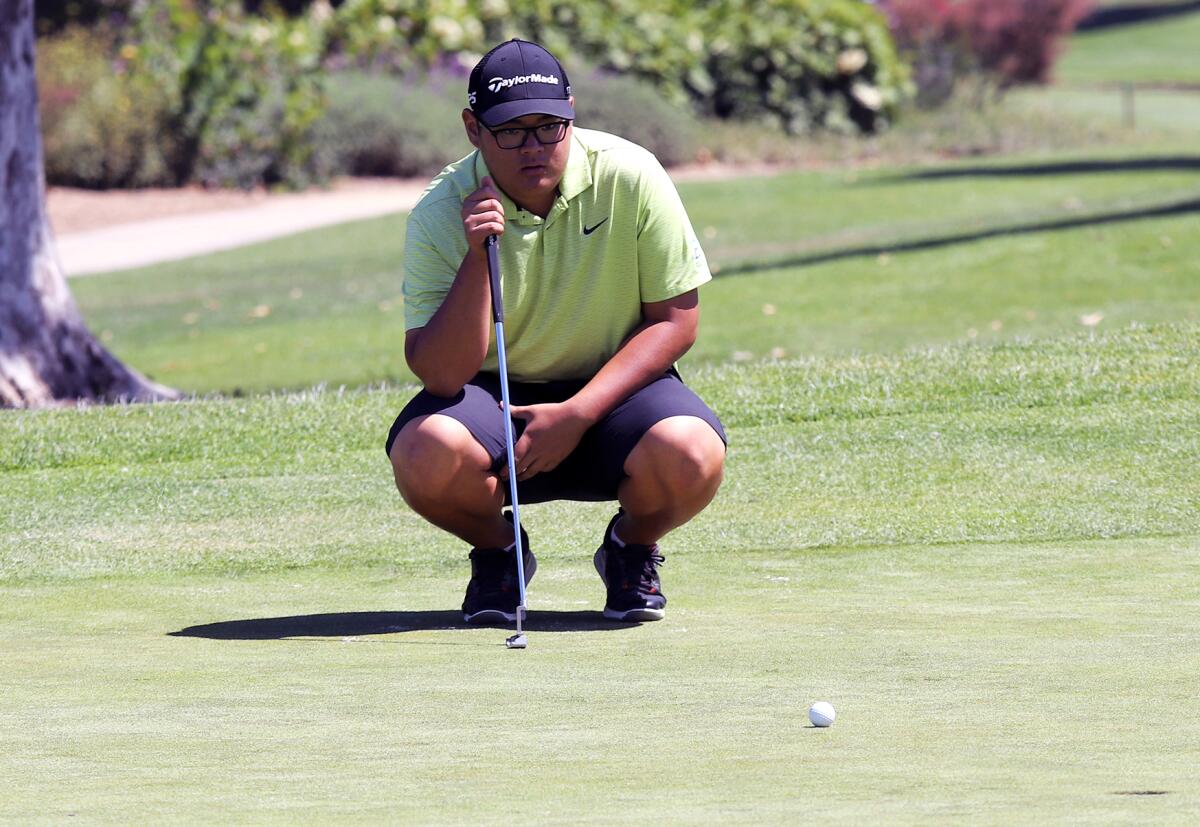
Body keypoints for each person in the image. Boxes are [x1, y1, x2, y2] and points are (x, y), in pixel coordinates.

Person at [386, 39, 726, 625]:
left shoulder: (631, 174)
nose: (534, 147)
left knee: (692, 453)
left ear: (572, 112)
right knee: (425, 452)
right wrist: (477, 255)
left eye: (549, 127)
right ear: (474, 129)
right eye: (511, 131)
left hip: (617, 390)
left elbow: (676, 321)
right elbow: (442, 373)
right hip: (492, 398)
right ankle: (500, 555)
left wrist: (577, 414)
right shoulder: (440, 211)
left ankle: (630, 549)